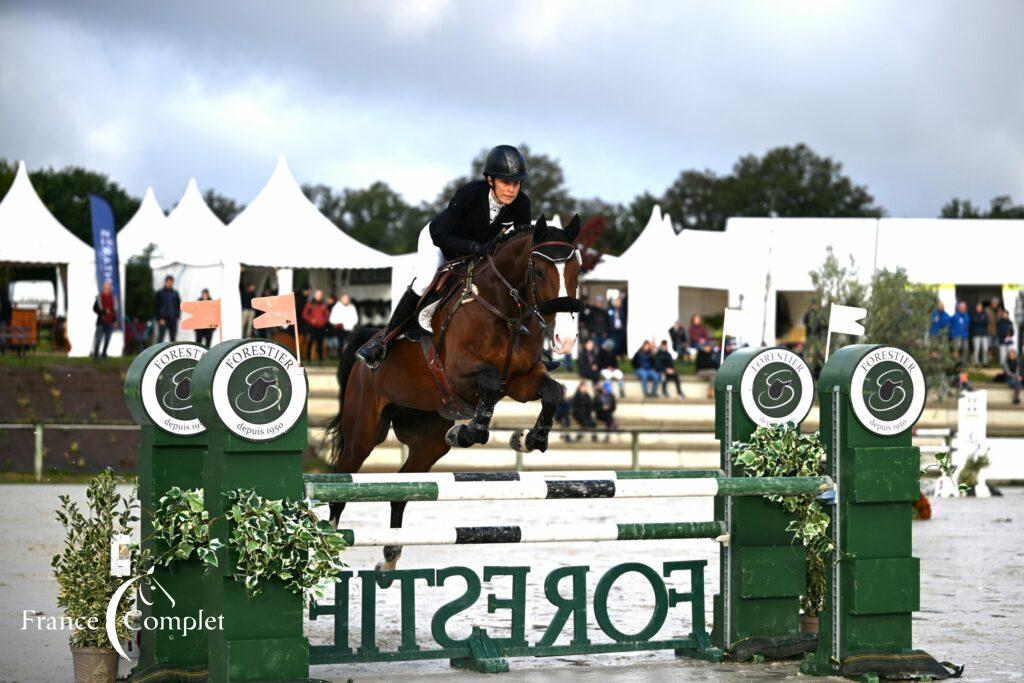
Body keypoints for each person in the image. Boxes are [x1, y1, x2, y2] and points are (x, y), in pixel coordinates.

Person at [357, 145, 530, 368]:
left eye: (516, 183)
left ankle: (532, 350)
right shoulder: (469, 194)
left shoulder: (522, 204)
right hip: (440, 242)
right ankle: (383, 341)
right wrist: (475, 247)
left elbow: (523, 245)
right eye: (506, 182)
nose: (512, 189)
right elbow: (440, 235)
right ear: (490, 180)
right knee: (425, 279)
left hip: (479, 252)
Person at [91, 281, 118, 360]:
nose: (107, 289)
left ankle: (104, 353)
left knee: (107, 339)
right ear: (103, 288)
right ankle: (96, 355)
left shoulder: (112, 298)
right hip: (101, 322)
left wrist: (115, 320)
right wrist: (103, 312)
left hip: (109, 322)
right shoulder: (99, 298)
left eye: (108, 288)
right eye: (106, 288)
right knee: (98, 339)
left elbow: (114, 311)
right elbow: (94, 309)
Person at [302, 289, 330, 361]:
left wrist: (323, 322)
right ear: (315, 295)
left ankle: (320, 359)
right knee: (310, 341)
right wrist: (311, 320)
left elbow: (326, 315)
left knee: (320, 343)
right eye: (318, 295)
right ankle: (308, 358)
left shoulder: (324, 304)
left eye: (320, 295)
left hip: (321, 327)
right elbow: (304, 314)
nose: (319, 296)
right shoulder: (310, 304)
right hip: (312, 327)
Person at [329, 293, 359, 357]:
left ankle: (348, 356)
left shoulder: (352, 307)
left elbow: (355, 319)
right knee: (340, 343)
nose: (345, 301)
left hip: (349, 329)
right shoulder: (337, 307)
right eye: (344, 299)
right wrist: (339, 323)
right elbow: (332, 319)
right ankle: (340, 356)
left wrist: (349, 324)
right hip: (340, 329)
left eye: (346, 299)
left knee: (349, 343)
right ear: (341, 300)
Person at [154, 275, 181, 342]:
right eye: (168, 282)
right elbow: (156, 306)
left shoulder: (175, 293)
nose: (170, 283)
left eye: (171, 282)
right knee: (161, 338)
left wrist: (177, 315)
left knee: (173, 338)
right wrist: (159, 318)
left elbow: (178, 305)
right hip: (163, 319)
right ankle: (158, 352)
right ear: (165, 282)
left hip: (173, 319)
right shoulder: (160, 293)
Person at [949, 302, 970, 367]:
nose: (963, 309)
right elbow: (951, 325)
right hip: (956, 336)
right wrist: (953, 335)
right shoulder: (955, 316)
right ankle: (956, 363)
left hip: (965, 336)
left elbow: (968, 325)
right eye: (961, 308)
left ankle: (964, 363)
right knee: (956, 350)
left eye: (964, 308)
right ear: (959, 308)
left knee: (965, 349)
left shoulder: (967, 315)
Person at [970, 302, 990, 366]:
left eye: (980, 307)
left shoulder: (985, 314)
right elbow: (974, 322)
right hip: (976, 334)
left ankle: (985, 362)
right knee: (976, 349)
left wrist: (979, 322)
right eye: (978, 307)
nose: (979, 308)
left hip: (984, 334)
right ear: (976, 308)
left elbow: (986, 322)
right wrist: (981, 321)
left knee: (985, 349)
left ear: (982, 308)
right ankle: (976, 362)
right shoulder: (974, 314)